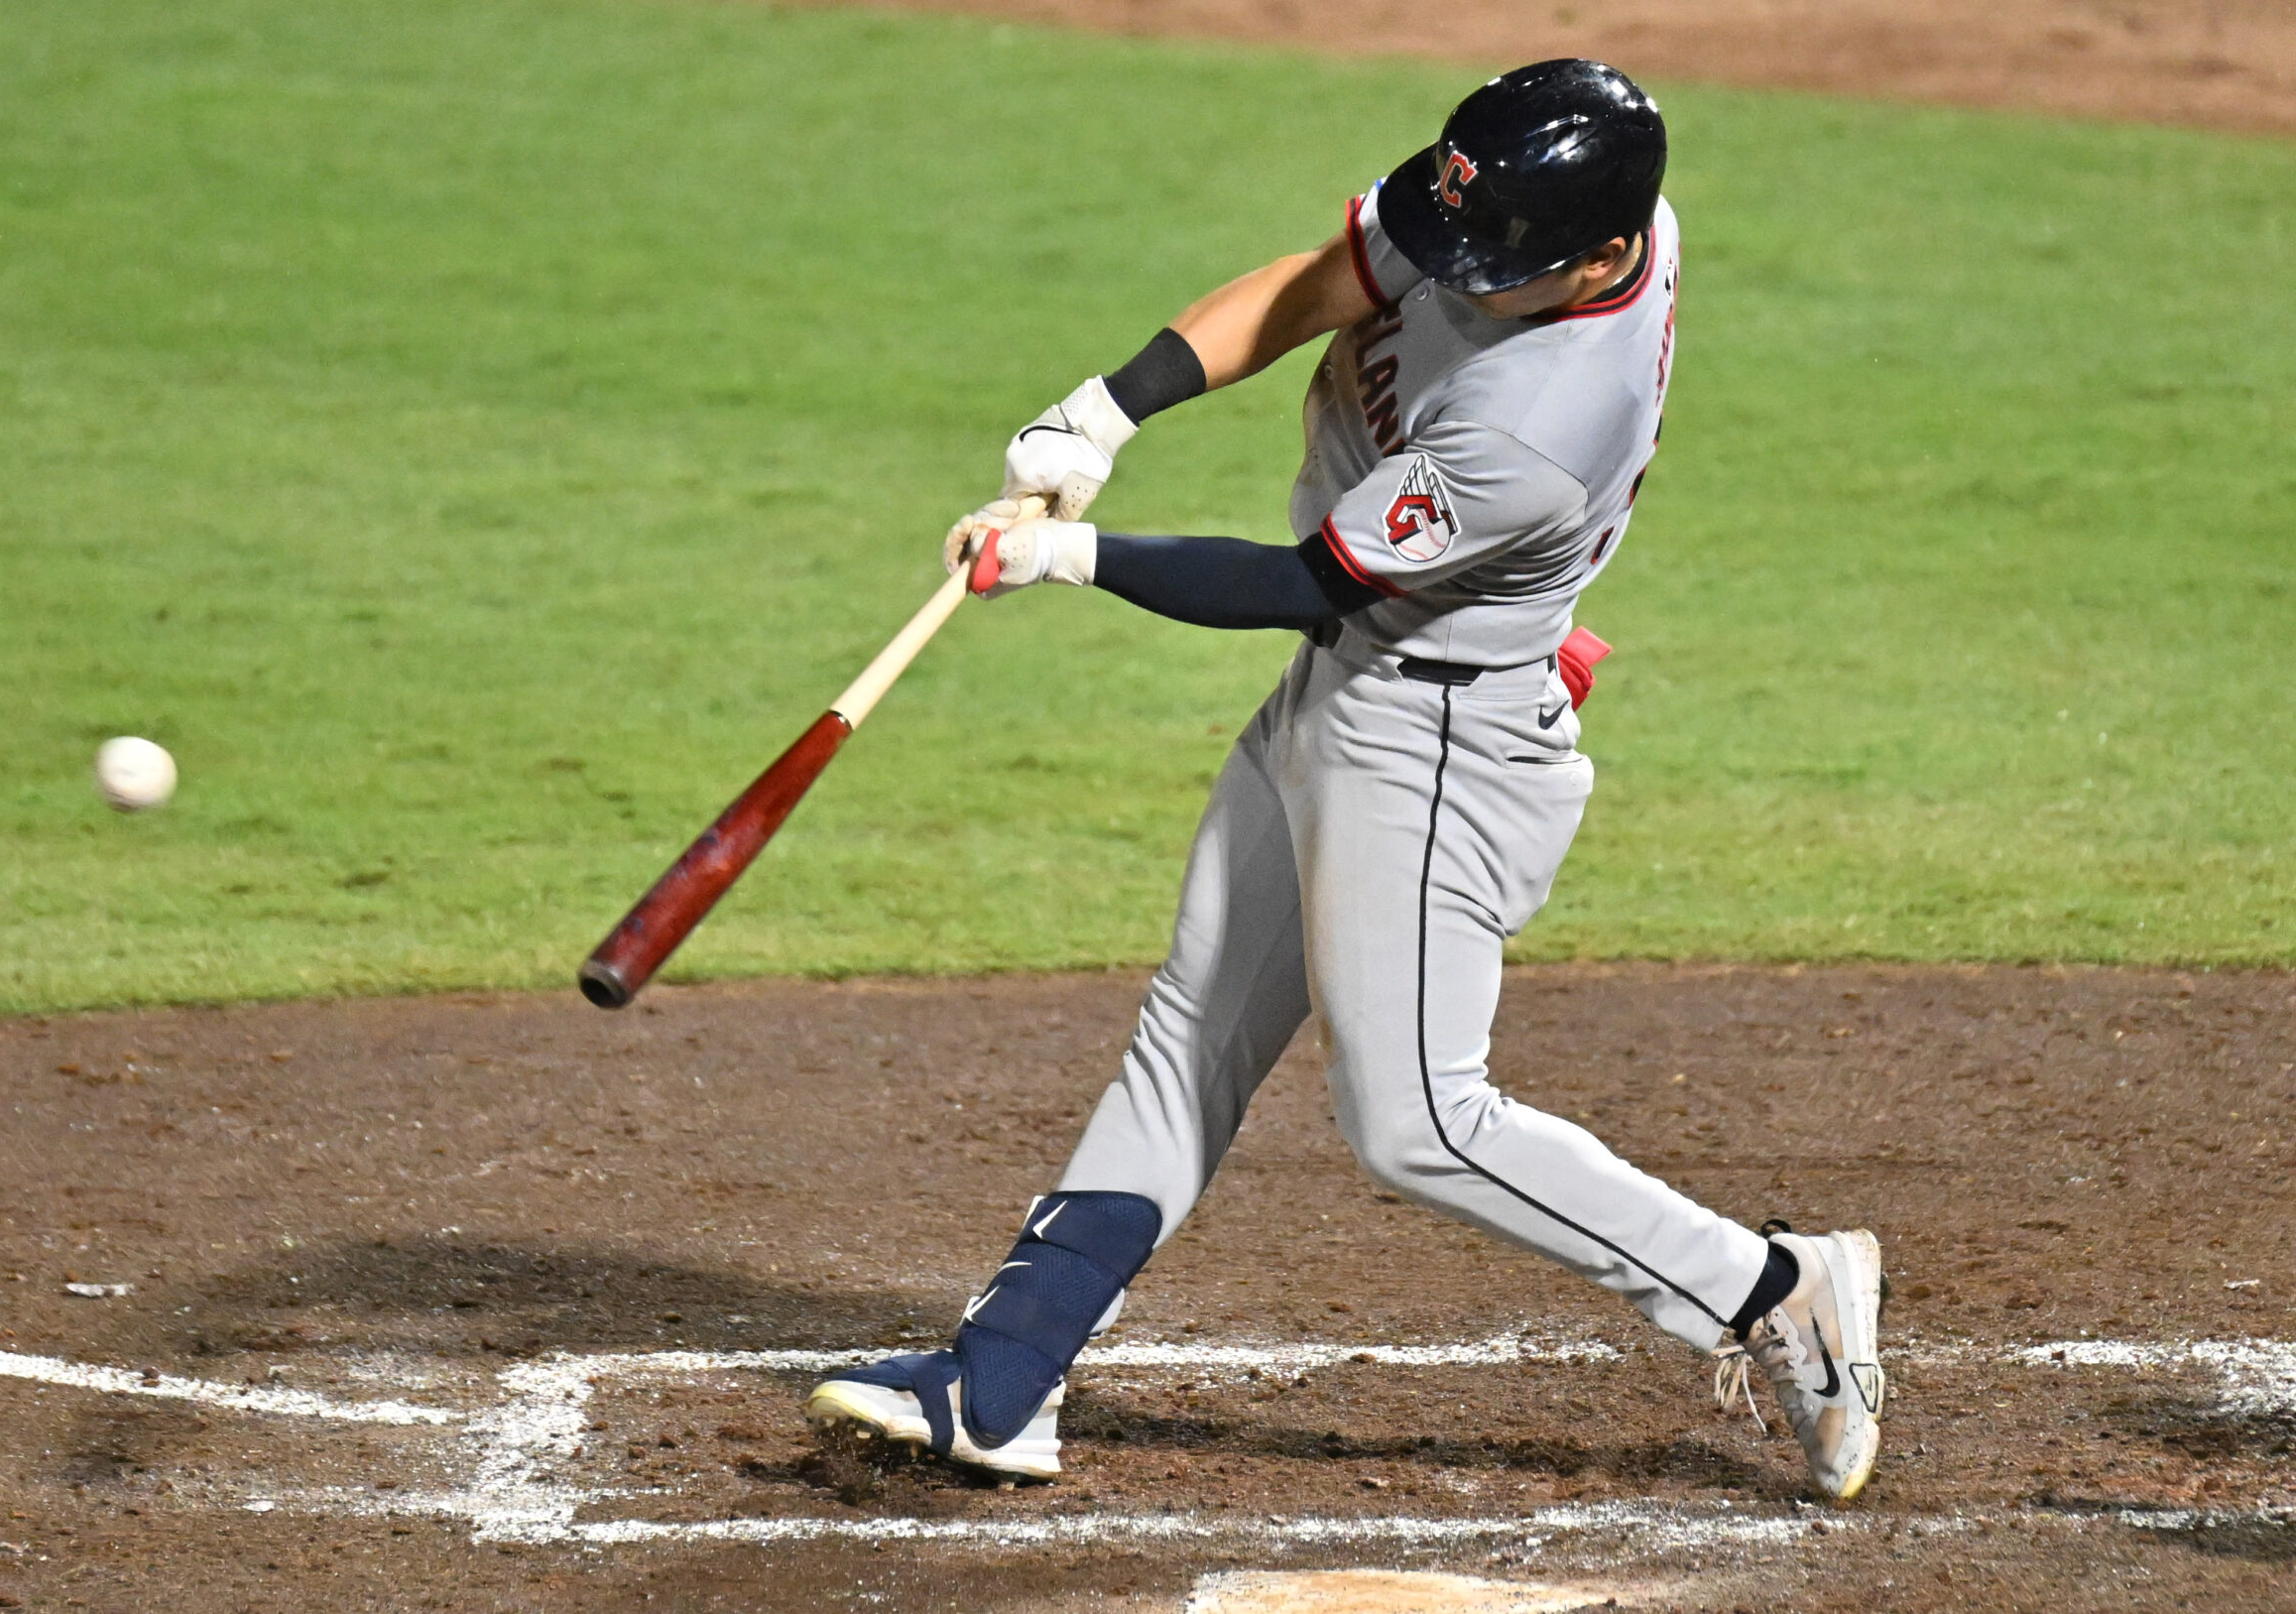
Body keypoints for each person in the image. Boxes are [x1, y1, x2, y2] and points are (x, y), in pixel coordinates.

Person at [805, 60, 1886, 1500]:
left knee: (1420, 1121)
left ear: (1608, 258)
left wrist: (1069, 556)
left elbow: (1304, 583)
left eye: (1496, 273)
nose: (1456, 281)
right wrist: (1101, 415)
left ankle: (1772, 1288)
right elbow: (1322, 285)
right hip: (1354, 687)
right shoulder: (1523, 199)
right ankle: (1003, 1380)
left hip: (1435, 745)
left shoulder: (1539, 424)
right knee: (1193, 1022)